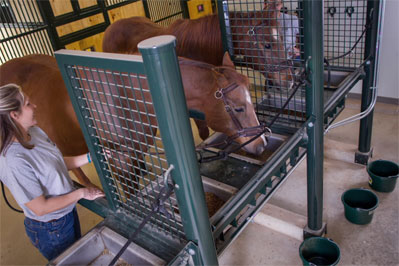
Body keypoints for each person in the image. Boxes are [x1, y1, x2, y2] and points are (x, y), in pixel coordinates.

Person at [0, 83, 105, 261]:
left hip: (66, 212)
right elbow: (40, 208)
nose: (35, 106)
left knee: (80, 255)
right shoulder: (13, 160)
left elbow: (55, 164)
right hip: (51, 228)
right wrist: (81, 192)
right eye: (27, 104)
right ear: (14, 115)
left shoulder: (34, 132)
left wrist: (90, 157)